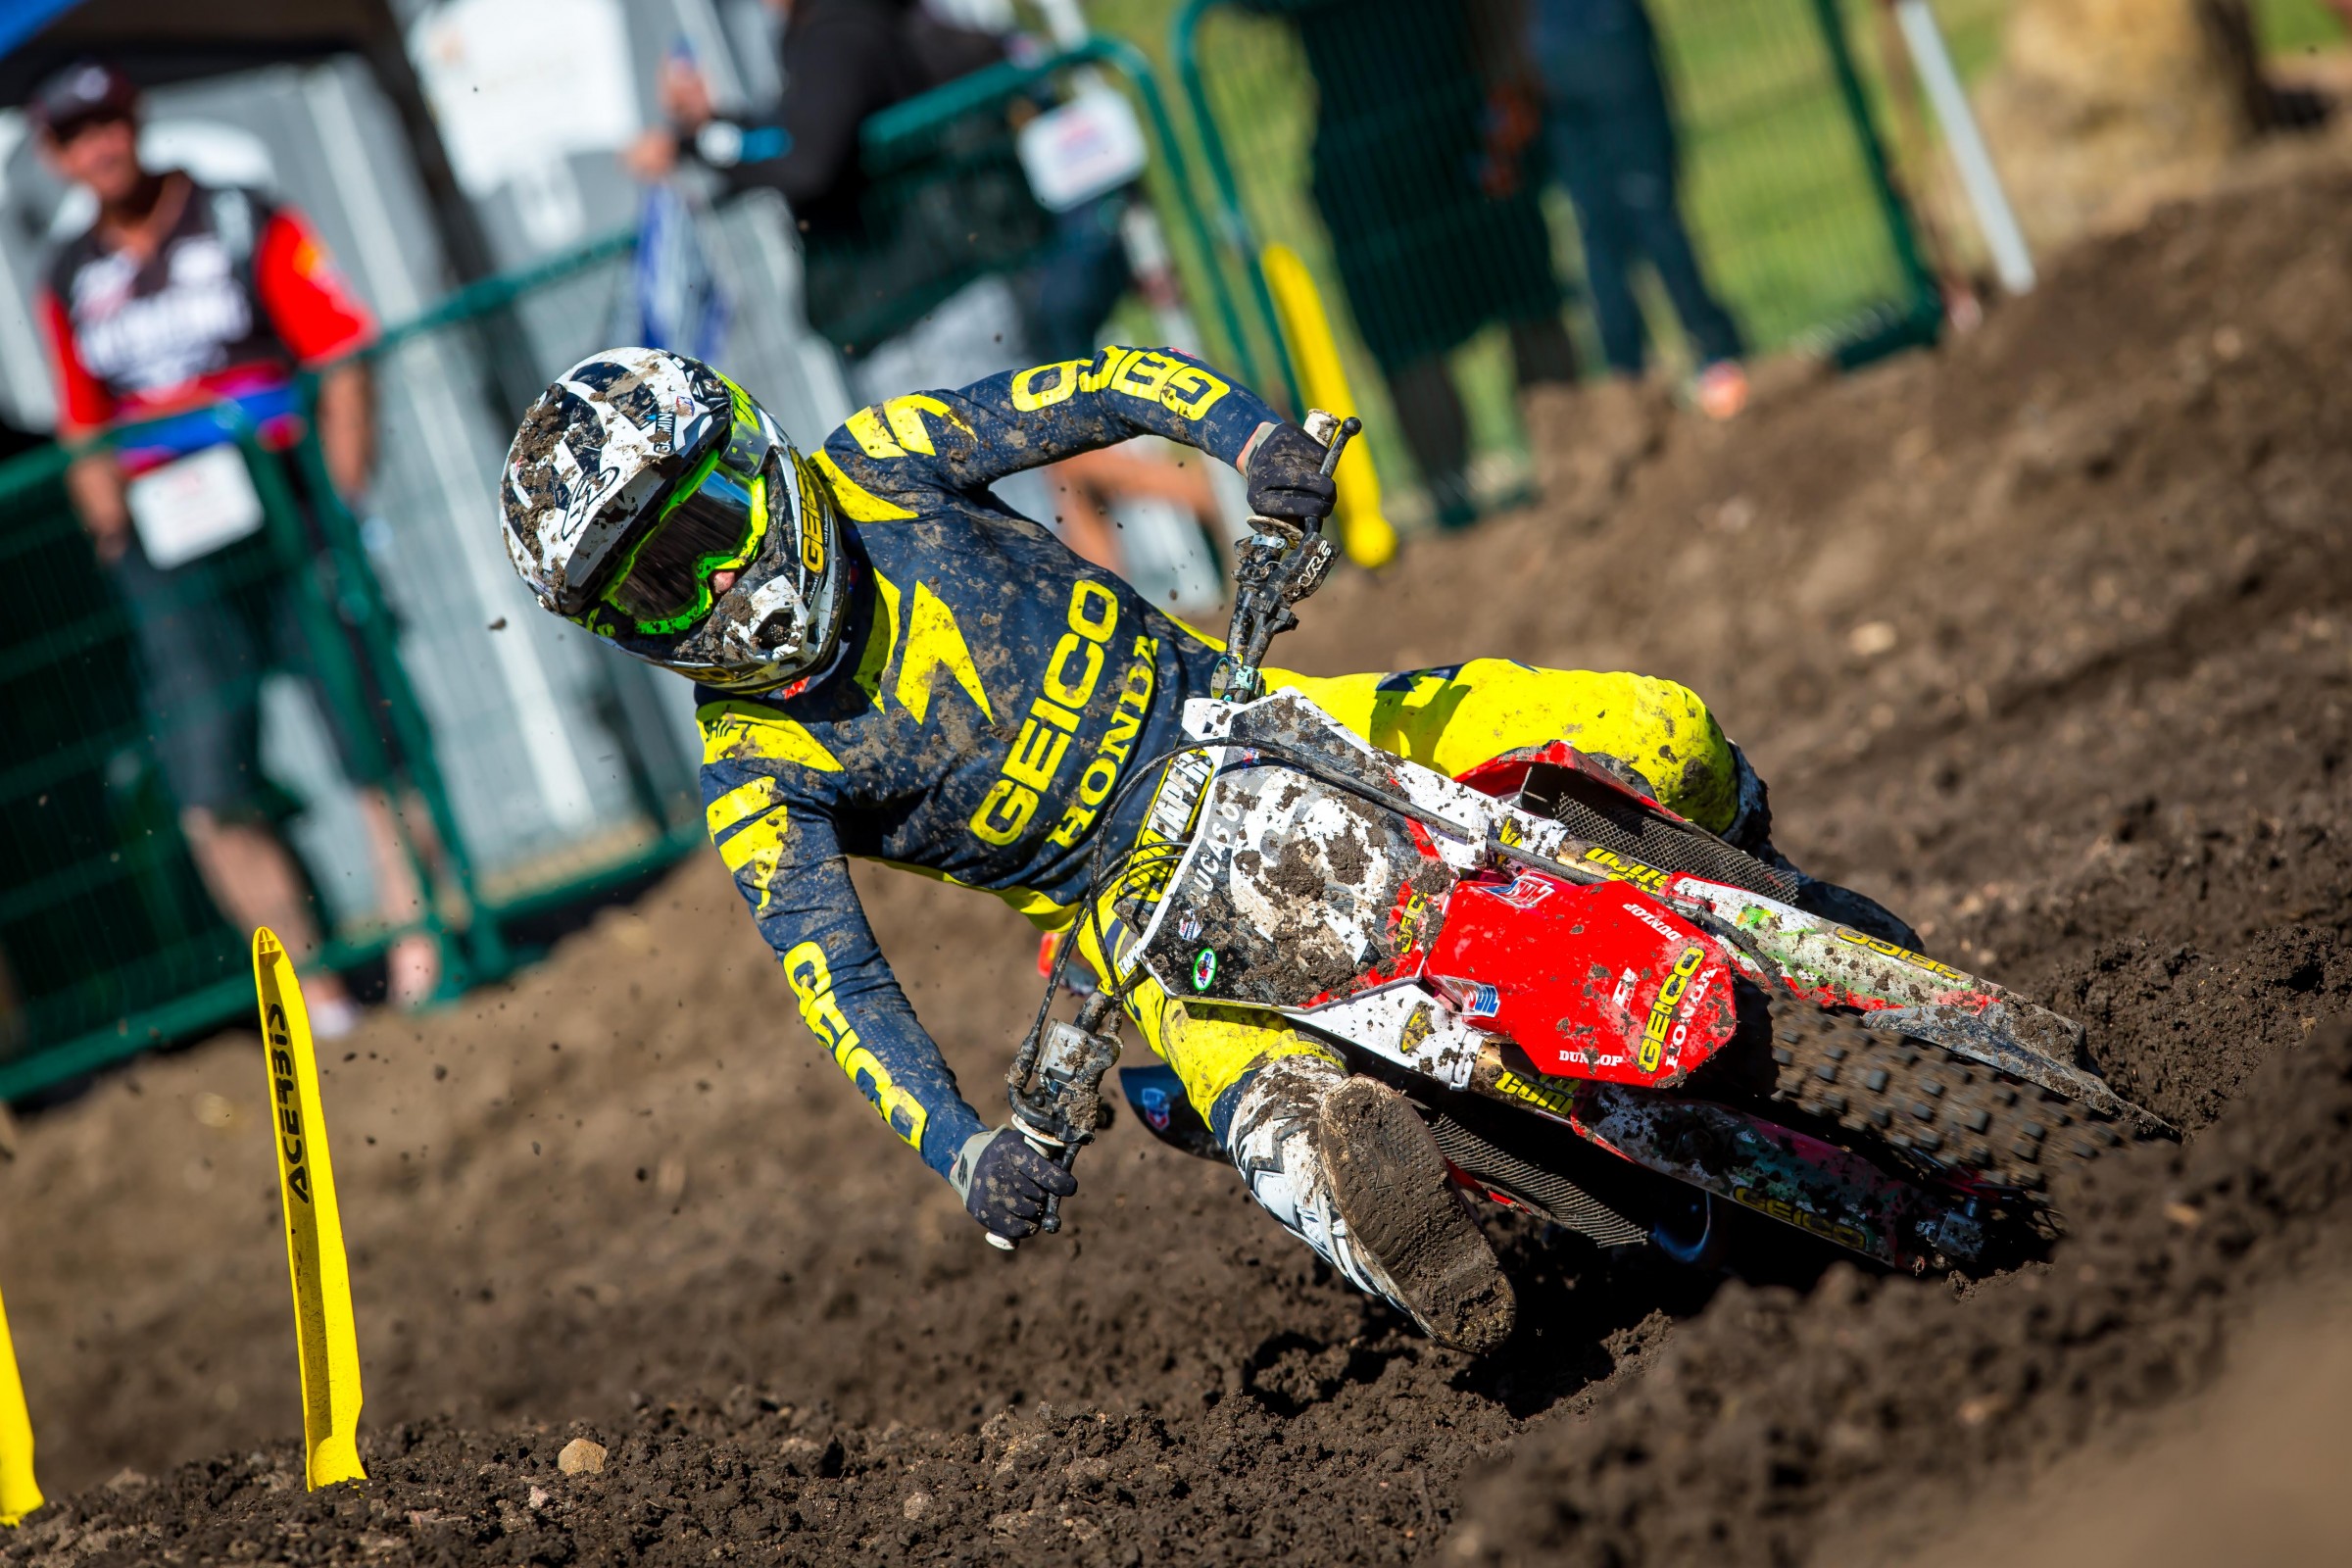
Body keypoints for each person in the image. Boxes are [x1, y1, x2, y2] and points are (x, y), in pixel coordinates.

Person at [495, 342, 1897, 1350]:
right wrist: (966, 1153)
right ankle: (1416, 1190)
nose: (714, 588)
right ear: (624, 636)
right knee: (1314, 1162)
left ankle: (1772, 889)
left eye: (707, 529)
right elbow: (839, 986)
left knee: (1652, 726)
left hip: (1270, 716)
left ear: (752, 455)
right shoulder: (754, 774)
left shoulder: (880, 462)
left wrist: (1256, 443)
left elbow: (1102, 383)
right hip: (1142, 930)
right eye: (655, 593)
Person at [29, 60, 440, 1027]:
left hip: (289, 514)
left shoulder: (240, 215)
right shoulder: (68, 272)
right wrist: (109, 529)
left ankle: (423, 949)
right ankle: (312, 994)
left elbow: (342, 351)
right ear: (53, 154)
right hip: (172, 553)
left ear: (138, 119)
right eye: (76, 133)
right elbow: (81, 423)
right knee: (208, 786)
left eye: (110, 121)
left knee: (373, 738)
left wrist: (340, 492)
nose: (100, 146)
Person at [1248, 0, 1583, 530]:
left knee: (1527, 300)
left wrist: (1509, 80)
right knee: (1410, 343)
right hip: (1375, 151)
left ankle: (1572, 461)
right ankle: (1454, 501)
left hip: (1464, 116)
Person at [1530, 0, 1749, 420]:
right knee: (1648, 205)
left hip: (1548, 49)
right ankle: (1716, 356)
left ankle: (1628, 379)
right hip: (1604, 36)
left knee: (1598, 226)